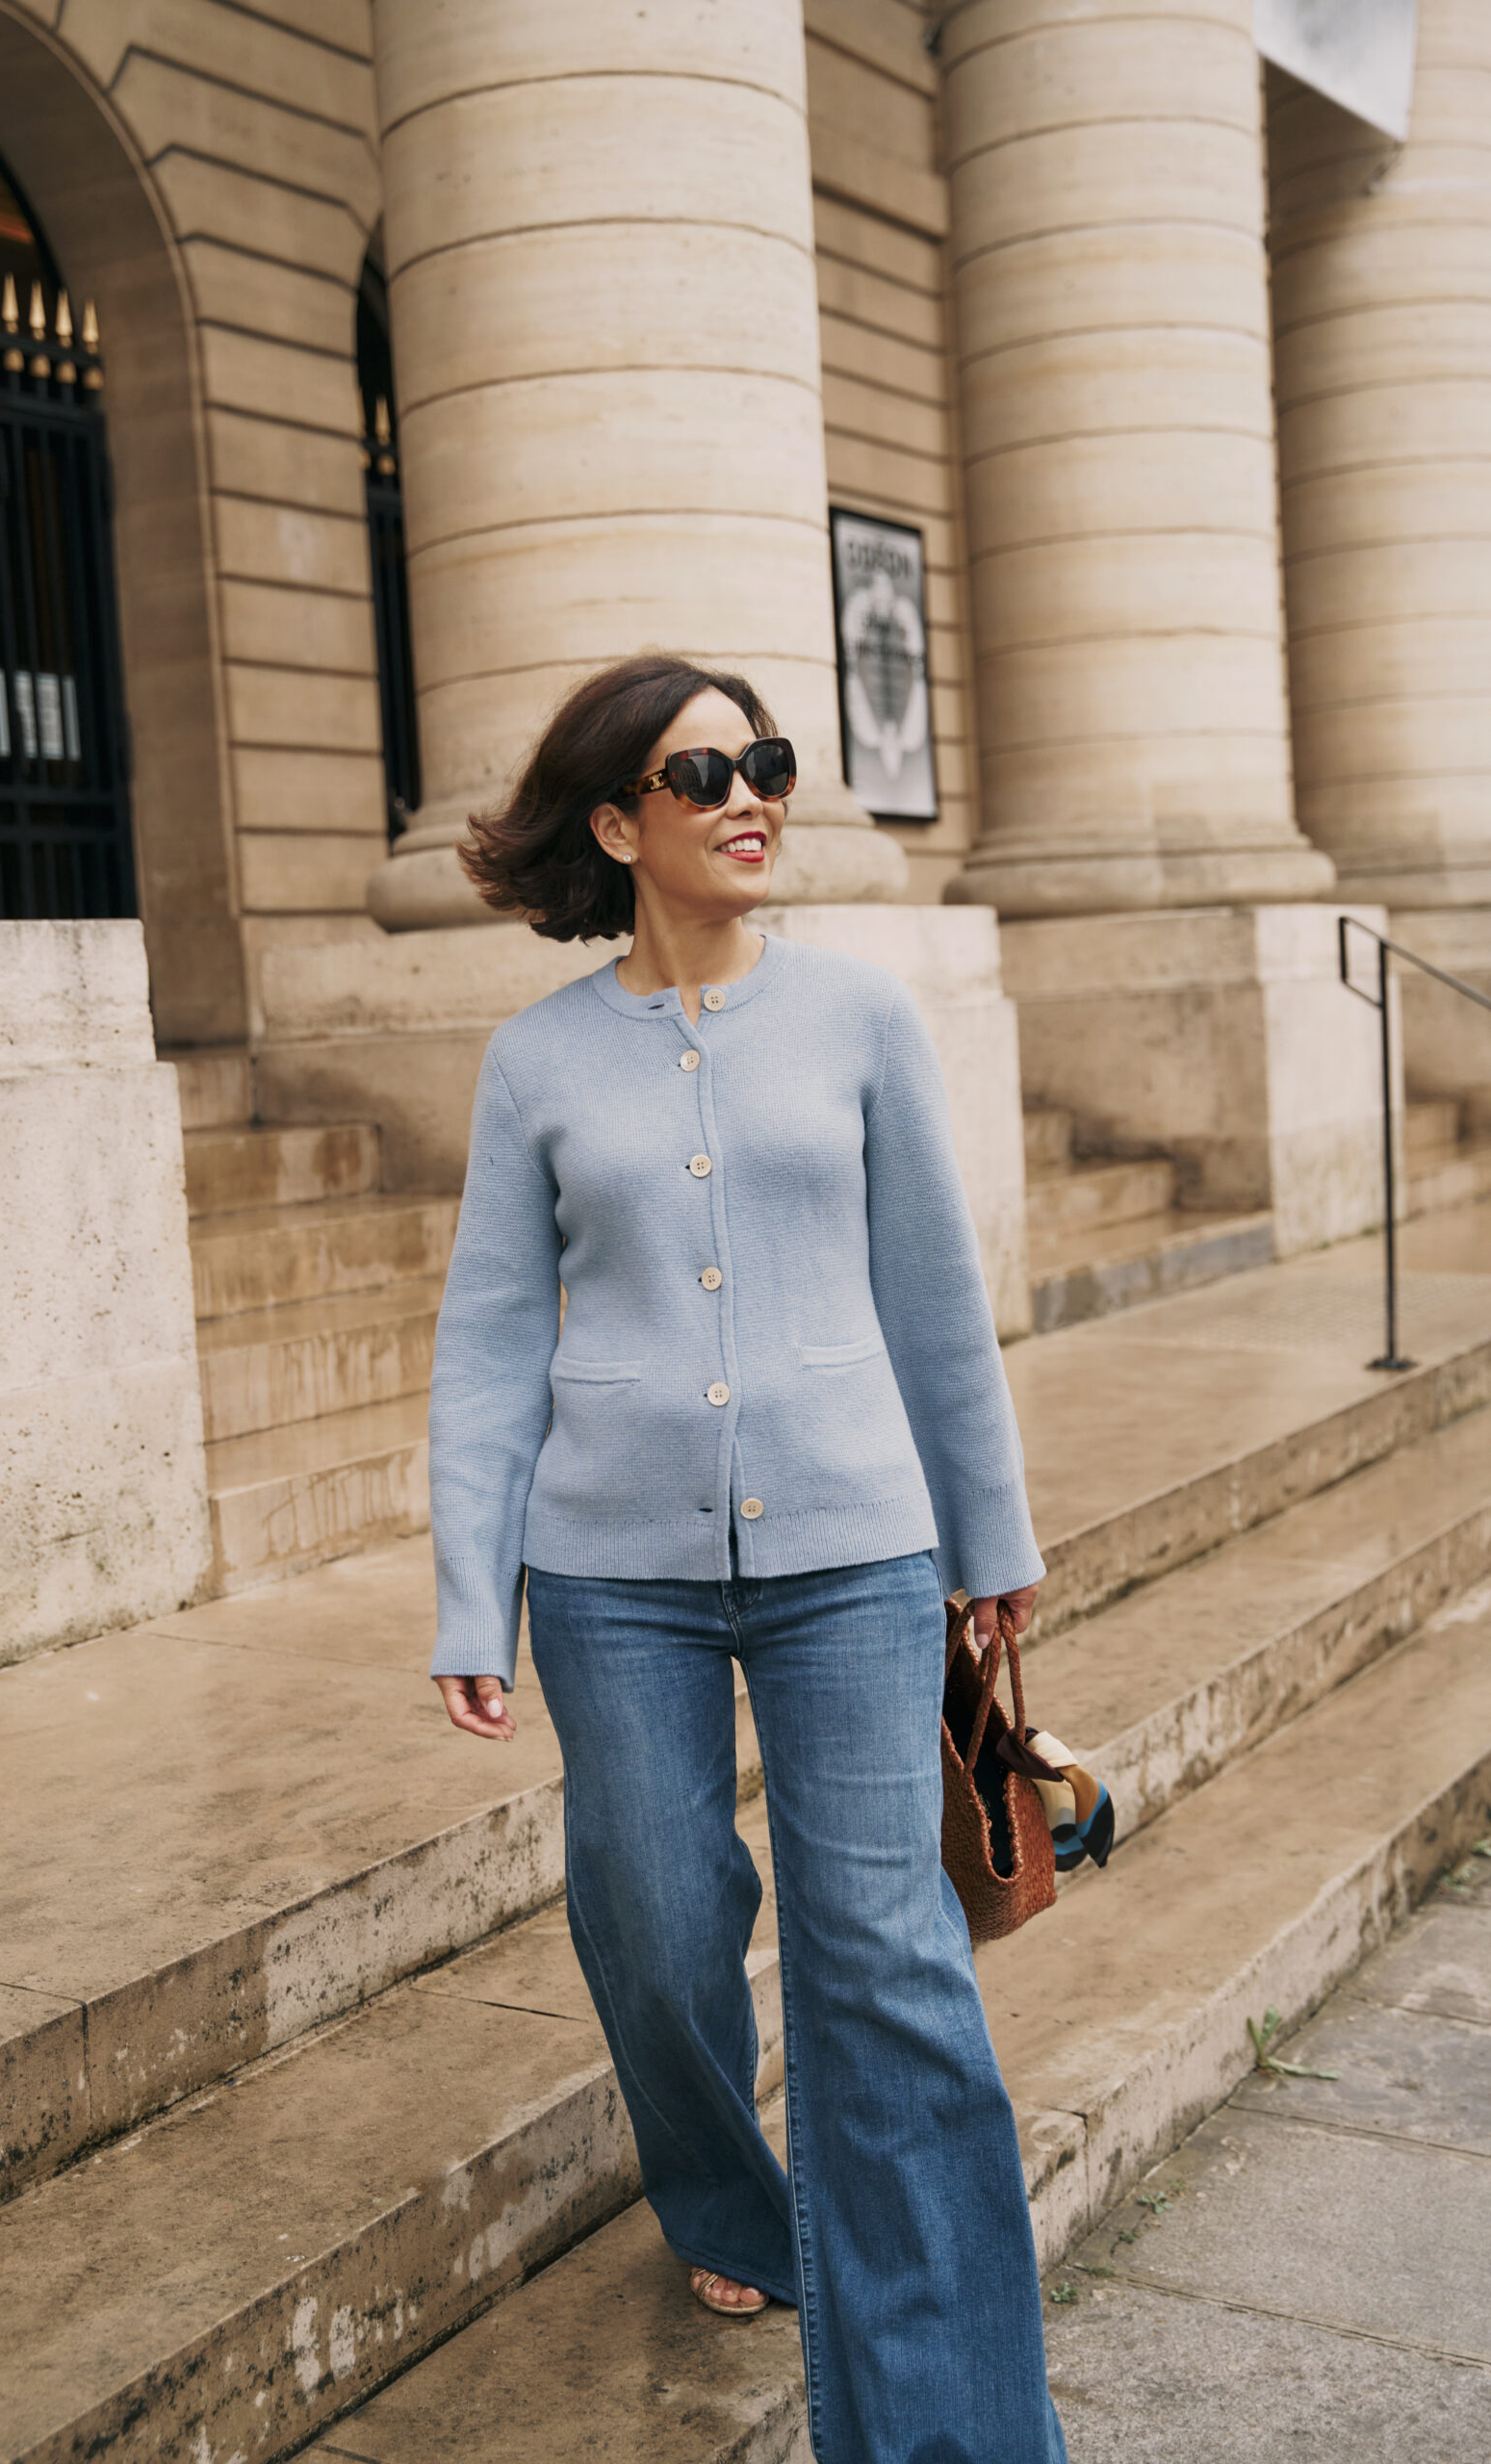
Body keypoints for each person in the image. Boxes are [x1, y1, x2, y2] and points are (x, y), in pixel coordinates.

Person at [427, 652, 1068, 2464]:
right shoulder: (536, 1060)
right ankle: (725, 2197)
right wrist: (472, 1593)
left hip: (854, 1547)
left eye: (764, 763)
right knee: (650, 1911)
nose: (749, 797)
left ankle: (956, 2435)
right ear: (617, 824)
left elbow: (935, 1295)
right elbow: (491, 1341)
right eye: (702, 774)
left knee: (890, 1971)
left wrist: (990, 1532)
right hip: (609, 1569)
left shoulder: (860, 1018)